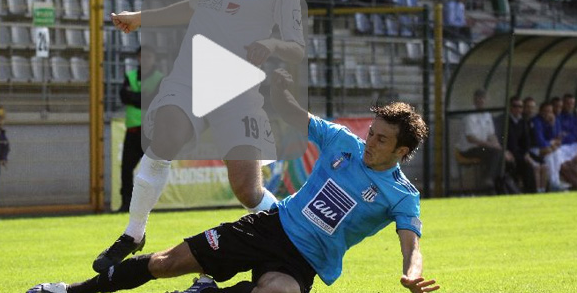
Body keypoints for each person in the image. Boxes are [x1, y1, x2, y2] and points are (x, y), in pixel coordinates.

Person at [27, 78, 439, 293]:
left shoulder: (401, 197)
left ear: (402, 151)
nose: (370, 142)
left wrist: (411, 275)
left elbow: (411, 247)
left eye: (382, 140)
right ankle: (72, 291)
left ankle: (208, 290)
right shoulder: (342, 143)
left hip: (304, 263)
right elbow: (297, 114)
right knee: (165, 264)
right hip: (269, 227)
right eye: (371, 133)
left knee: (278, 292)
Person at [91, 0, 305, 276]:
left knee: (247, 191)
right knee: (164, 141)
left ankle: (296, 237)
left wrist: (271, 44)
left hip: (238, 88)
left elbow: (295, 47)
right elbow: (194, 7)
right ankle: (133, 232)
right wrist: (142, 18)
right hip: (190, 75)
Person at [118, 47, 163, 212]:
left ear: (154, 59)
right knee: (126, 169)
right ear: (137, 58)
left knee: (152, 169)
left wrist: (135, 97)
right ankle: (126, 203)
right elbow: (123, 96)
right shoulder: (130, 76)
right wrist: (143, 98)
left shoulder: (159, 78)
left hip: (150, 132)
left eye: (149, 56)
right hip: (133, 131)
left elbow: (154, 100)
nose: (145, 59)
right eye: (142, 56)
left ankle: (148, 205)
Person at [455, 88, 506, 193]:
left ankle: (497, 185)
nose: (481, 101)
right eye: (479, 98)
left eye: (483, 98)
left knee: (501, 154)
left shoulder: (487, 114)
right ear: (474, 99)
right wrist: (492, 146)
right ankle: (488, 180)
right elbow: (471, 138)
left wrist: (498, 146)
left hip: (483, 148)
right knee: (495, 153)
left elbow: (491, 134)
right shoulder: (470, 115)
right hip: (468, 149)